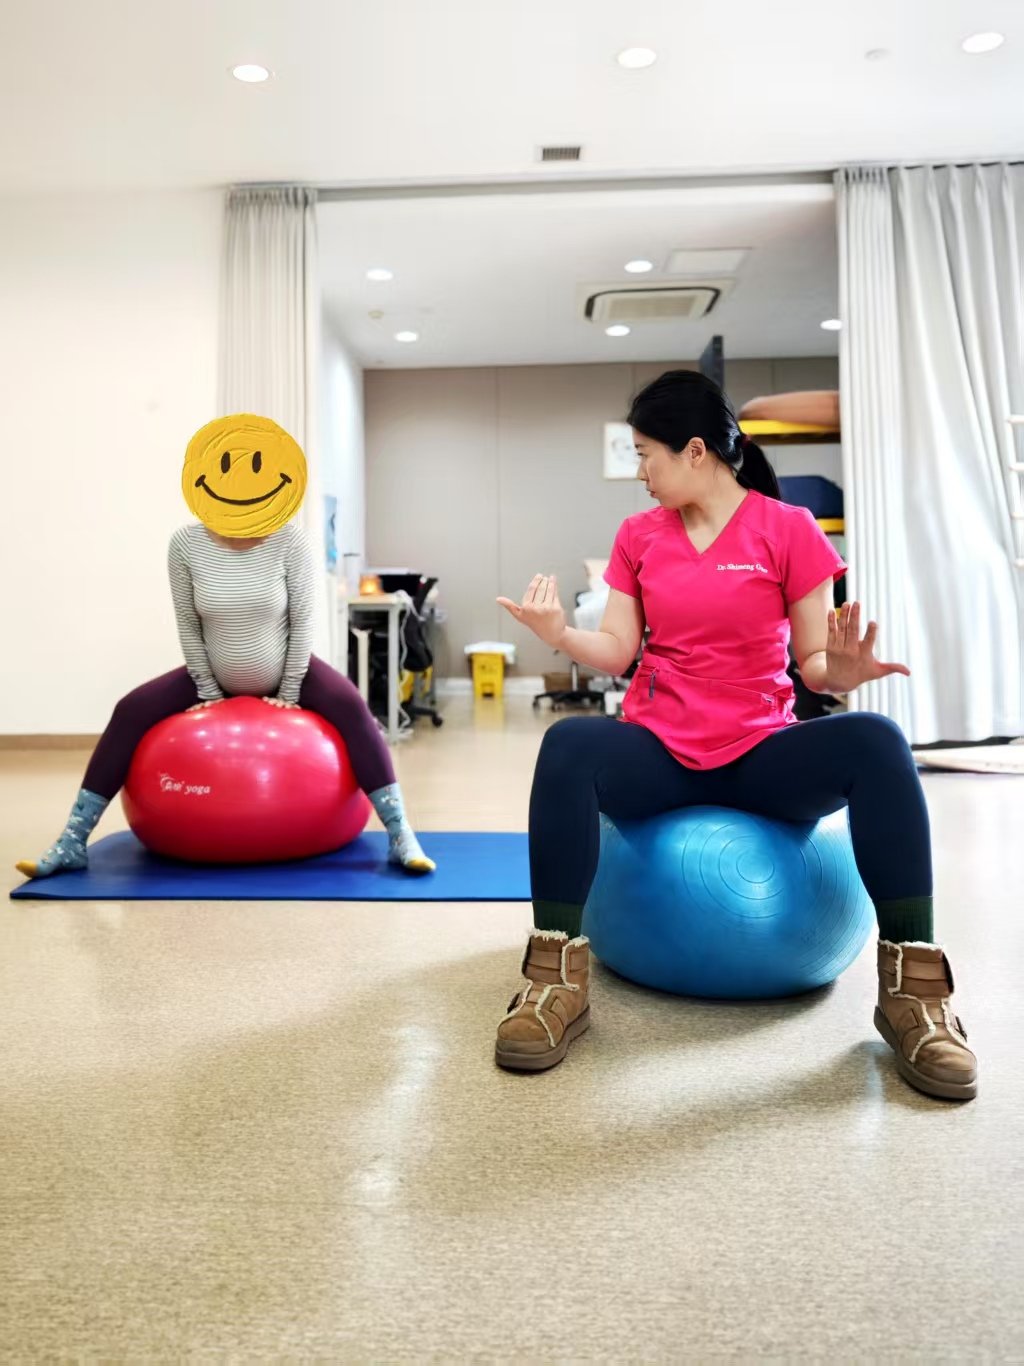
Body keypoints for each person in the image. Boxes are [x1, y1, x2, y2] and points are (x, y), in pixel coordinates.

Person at [495, 370, 975, 1102]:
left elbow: (815, 664)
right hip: (661, 750)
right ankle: (553, 982)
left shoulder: (788, 530)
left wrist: (839, 673)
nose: (641, 473)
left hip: (761, 752)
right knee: (569, 746)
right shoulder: (639, 536)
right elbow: (619, 649)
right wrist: (562, 634)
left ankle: (914, 994)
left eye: (645, 454)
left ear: (694, 452)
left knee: (875, 739)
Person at [17, 414, 433, 880]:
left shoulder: (289, 540)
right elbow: (188, 625)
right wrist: (209, 691)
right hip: (210, 671)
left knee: (354, 708)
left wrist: (291, 690)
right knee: (130, 708)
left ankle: (400, 836)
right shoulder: (185, 544)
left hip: (286, 670)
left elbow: (302, 622)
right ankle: (73, 840)